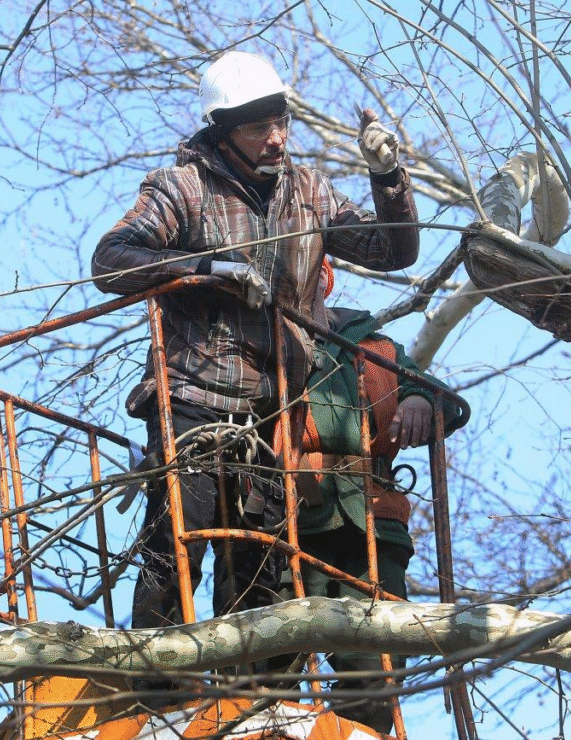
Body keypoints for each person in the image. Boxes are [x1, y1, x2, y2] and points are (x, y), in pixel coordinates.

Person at [90, 49, 420, 636]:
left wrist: (387, 175)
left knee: (262, 560)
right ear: (223, 131)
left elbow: (392, 251)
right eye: (257, 127)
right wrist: (208, 267)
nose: (275, 138)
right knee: (178, 541)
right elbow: (112, 261)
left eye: (281, 123)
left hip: (279, 408)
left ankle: (251, 699)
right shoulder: (182, 188)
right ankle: (153, 683)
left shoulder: (308, 192)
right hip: (194, 394)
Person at [283, 259, 469, 733]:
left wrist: (420, 399)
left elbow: (441, 397)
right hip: (290, 518)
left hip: (374, 520)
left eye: (309, 270)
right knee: (274, 660)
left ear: (324, 280)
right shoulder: (262, 336)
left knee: (377, 664)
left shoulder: (374, 344)